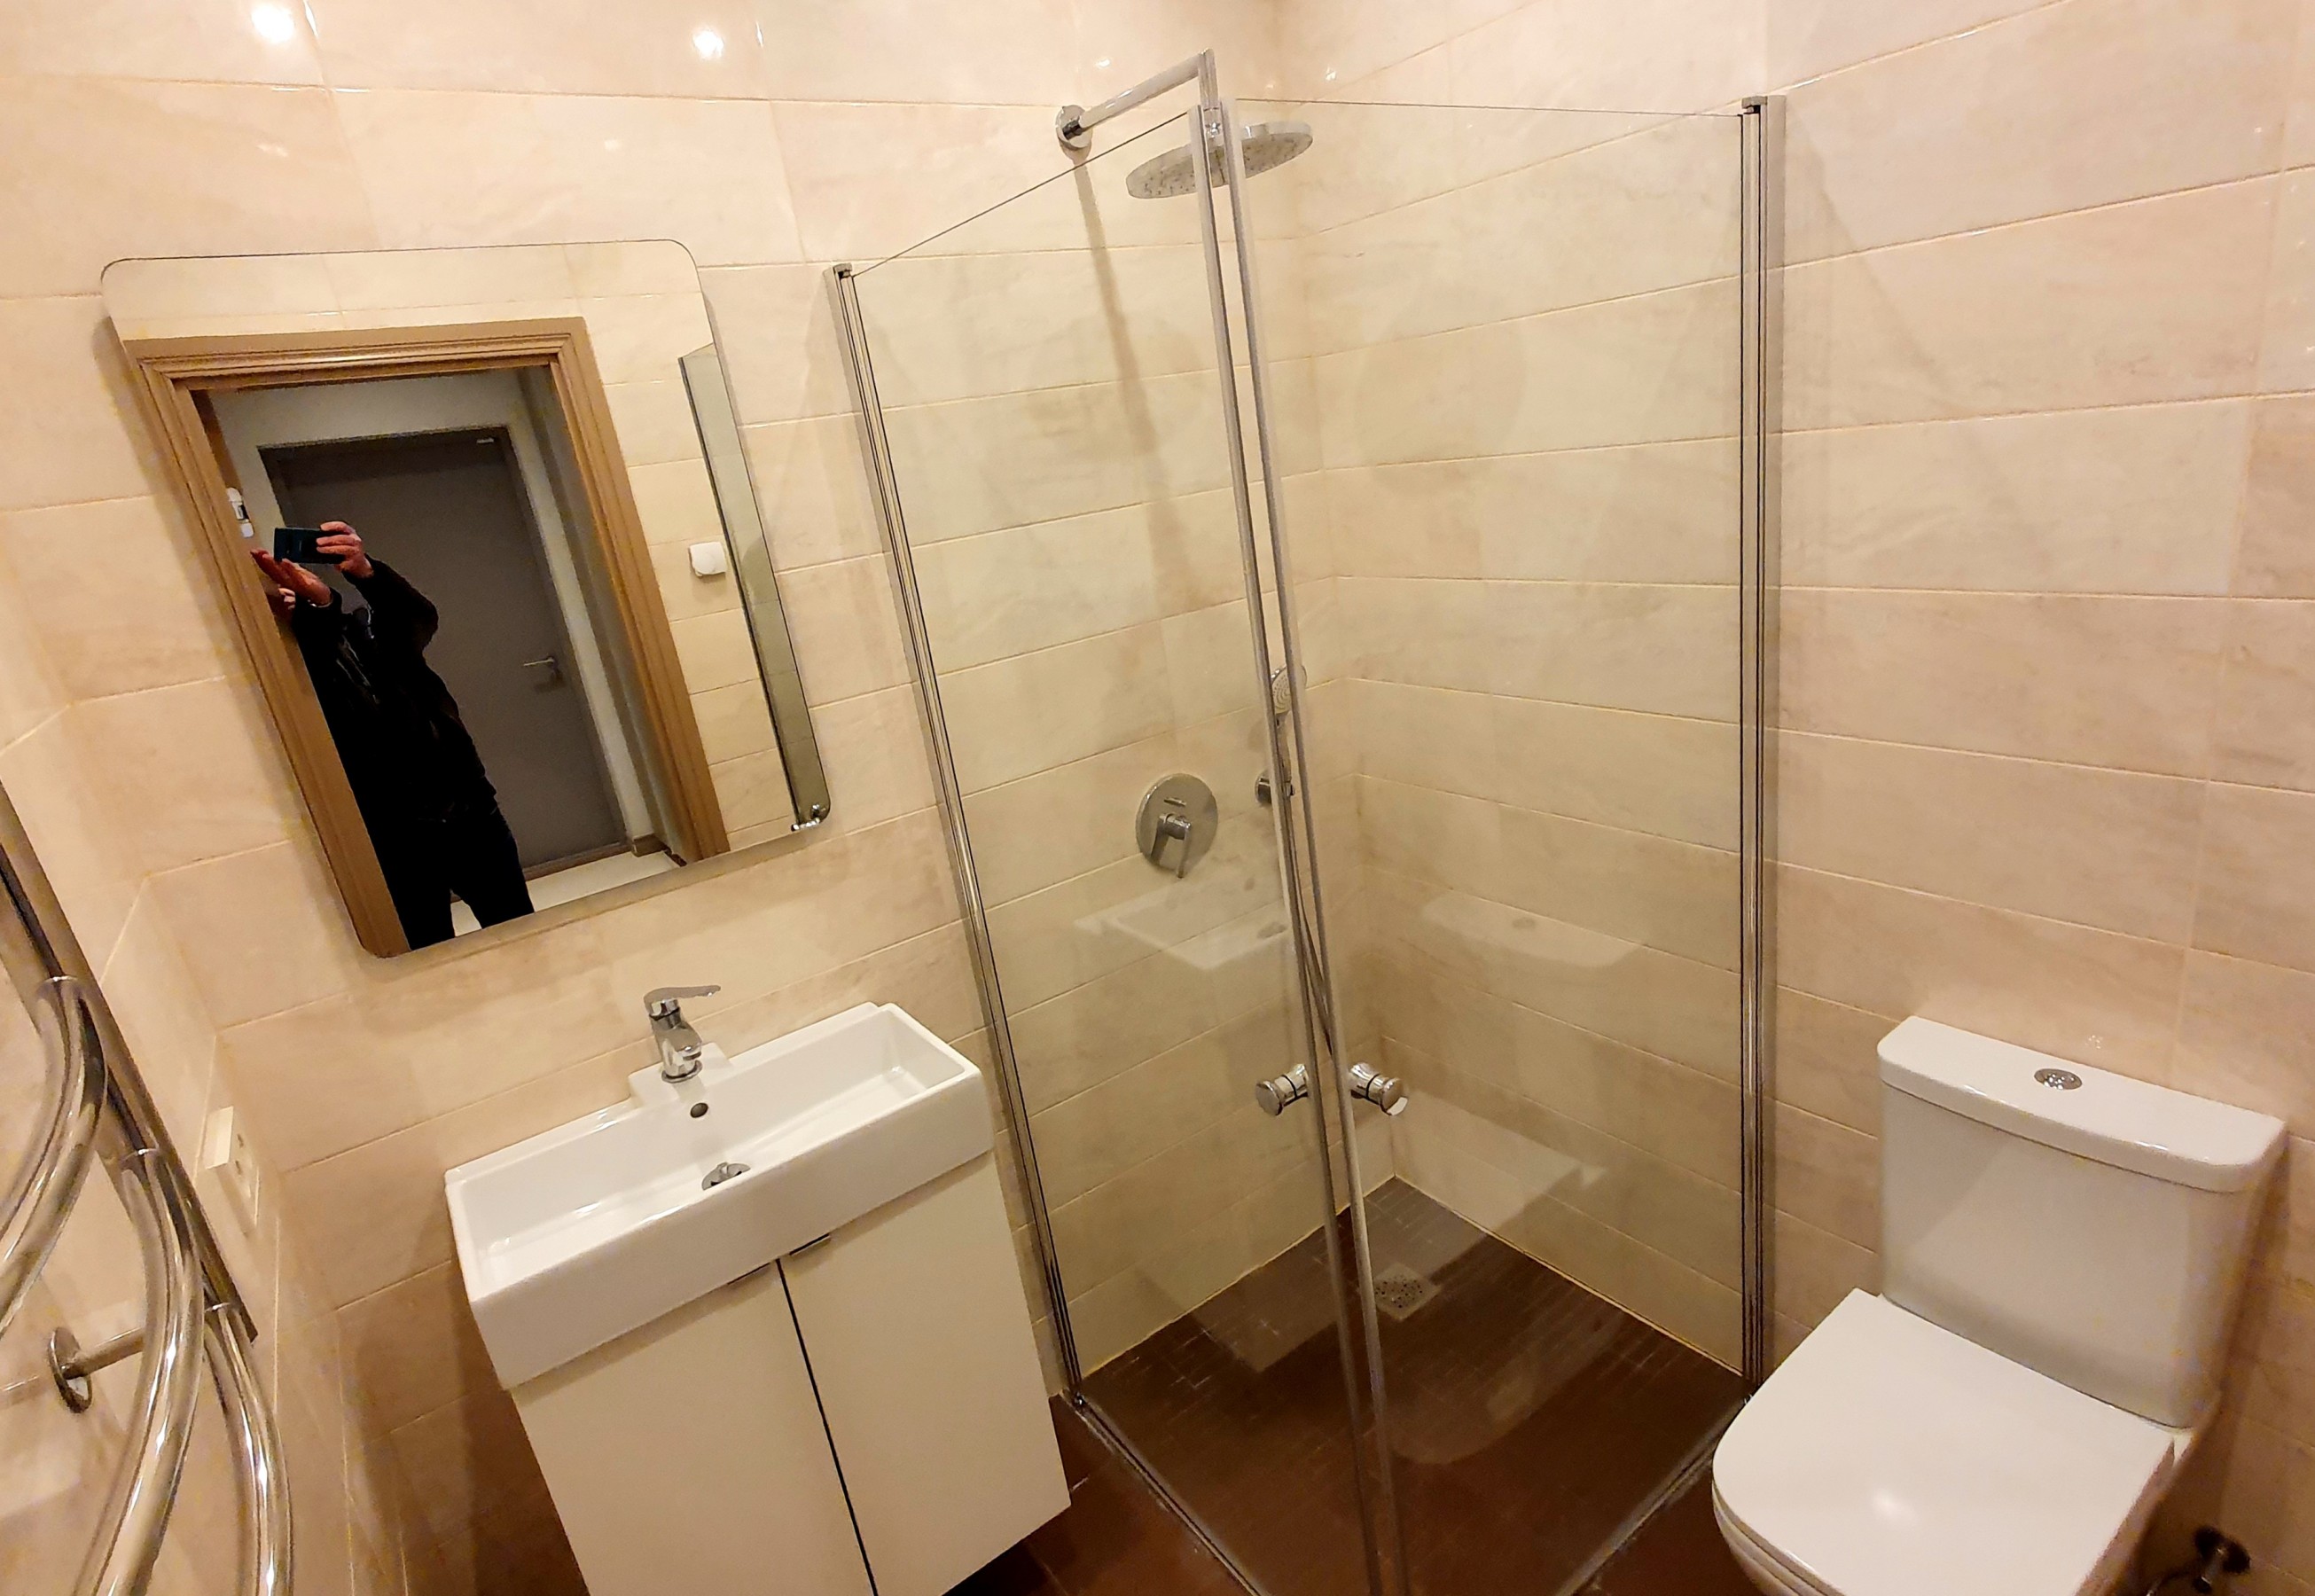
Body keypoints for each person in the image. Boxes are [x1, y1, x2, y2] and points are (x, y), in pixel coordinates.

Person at [252, 522, 534, 949]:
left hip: (471, 812)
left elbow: (416, 620)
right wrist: (309, 615)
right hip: (394, 837)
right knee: (426, 952)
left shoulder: (371, 640)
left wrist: (361, 573)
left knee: (521, 933)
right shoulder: (289, 670)